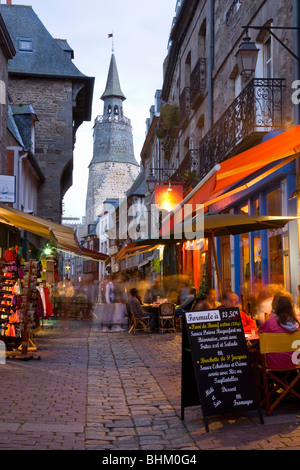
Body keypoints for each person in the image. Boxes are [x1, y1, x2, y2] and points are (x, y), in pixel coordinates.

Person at [259, 294, 300, 370]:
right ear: (291, 308)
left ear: (277, 307)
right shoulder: (297, 325)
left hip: (273, 365)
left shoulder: (270, 323)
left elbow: (260, 333)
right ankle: (291, 381)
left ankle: (266, 381)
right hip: (294, 364)